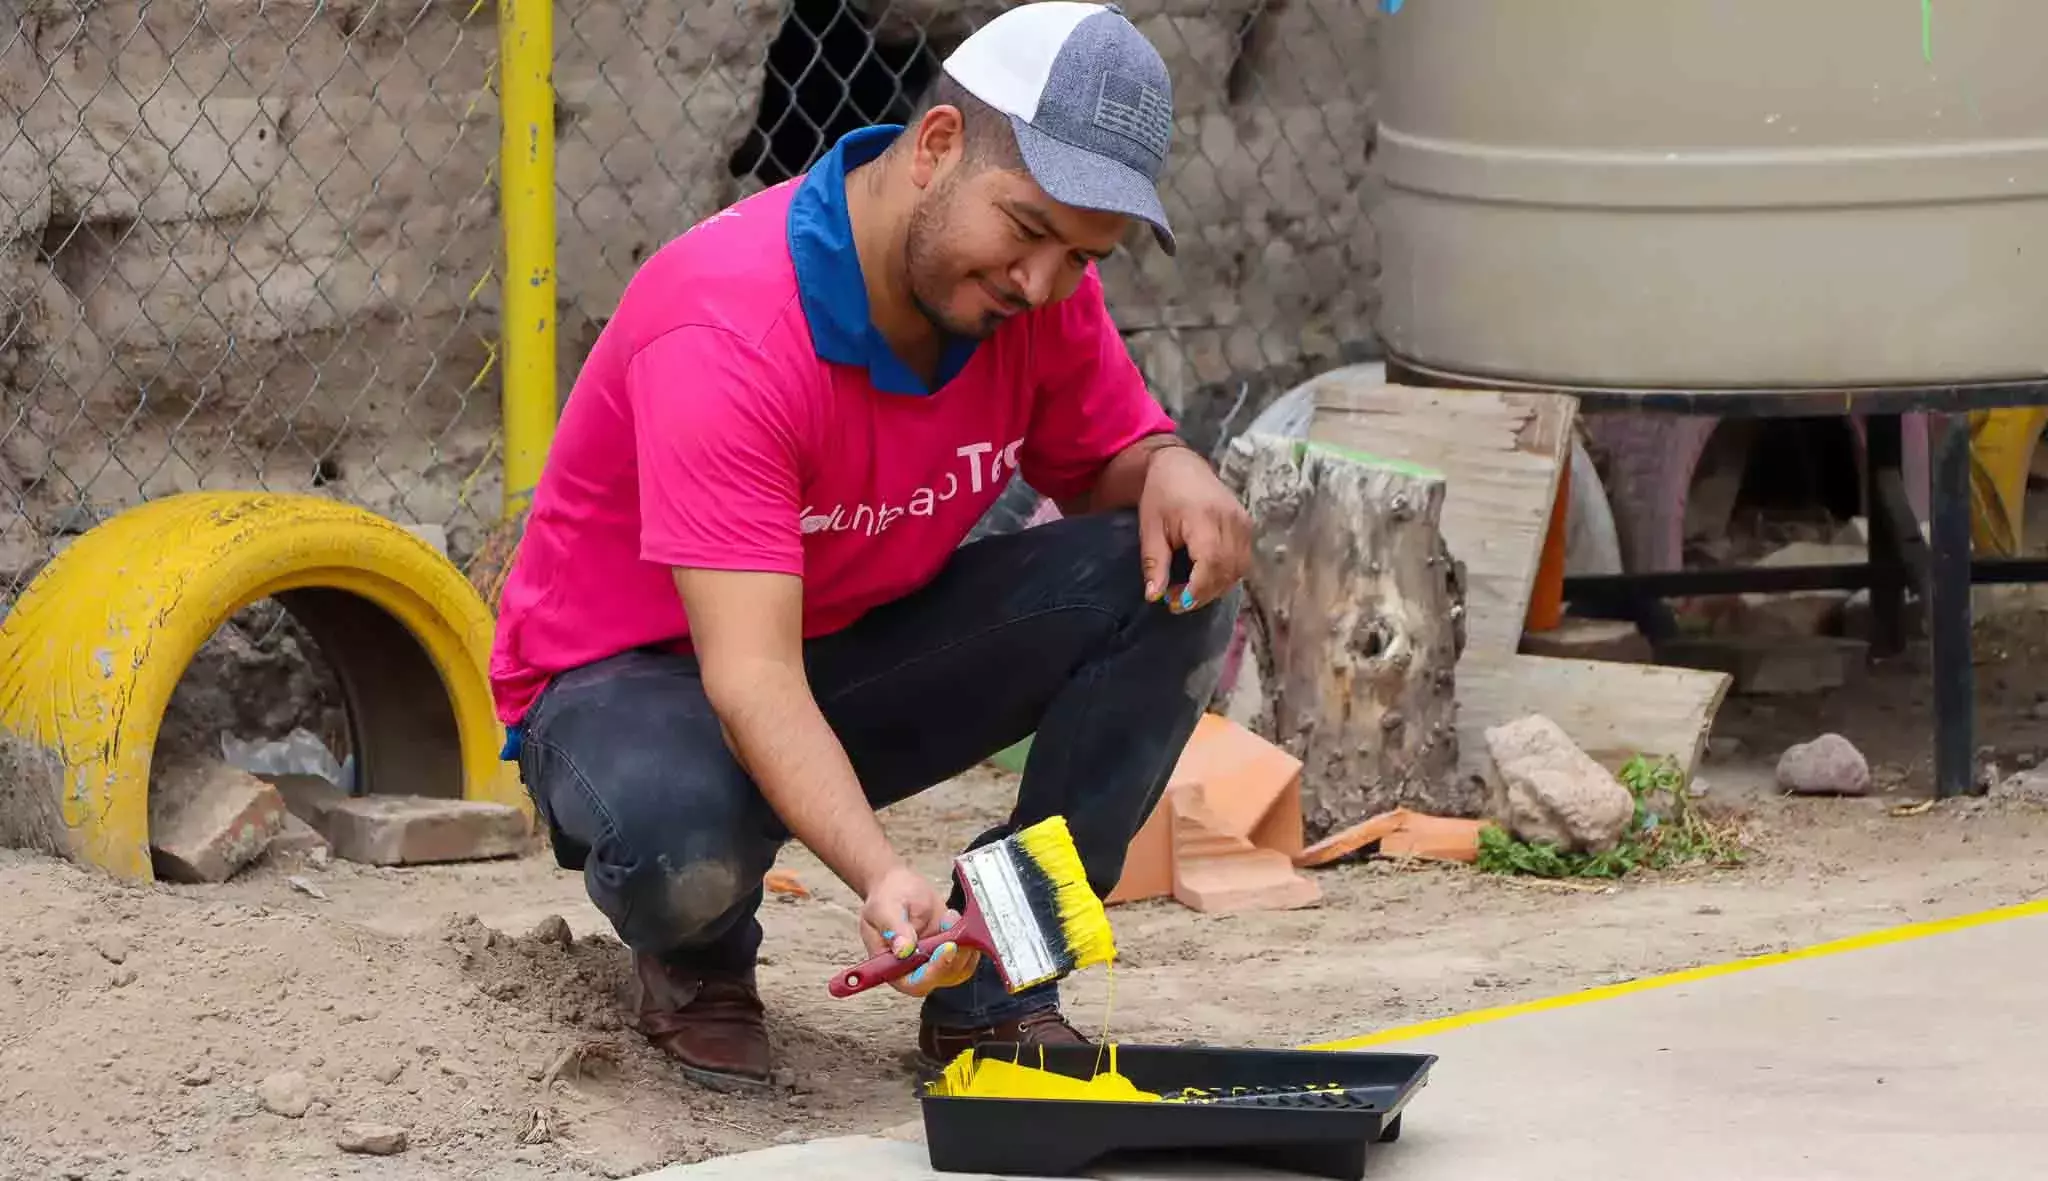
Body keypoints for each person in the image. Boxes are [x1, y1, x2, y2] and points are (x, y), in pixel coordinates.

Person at [488, 0, 1252, 1091]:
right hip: (634, 682)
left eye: (1081, 259)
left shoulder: (1032, 294)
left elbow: (1104, 459)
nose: (1040, 283)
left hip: (842, 642)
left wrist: (1168, 459)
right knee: (681, 843)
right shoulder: (729, 326)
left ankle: (999, 982)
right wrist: (883, 876)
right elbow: (749, 673)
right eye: (1027, 231)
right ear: (935, 147)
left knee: (1167, 583)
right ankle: (700, 958)